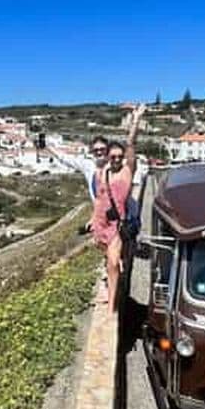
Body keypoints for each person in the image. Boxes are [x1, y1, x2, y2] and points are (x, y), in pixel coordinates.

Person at [91, 106, 145, 313]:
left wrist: (136, 119)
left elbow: (131, 144)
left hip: (116, 225)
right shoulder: (101, 173)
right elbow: (99, 199)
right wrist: (92, 221)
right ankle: (114, 266)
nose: (115, 159)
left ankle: (111, 304)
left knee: (113, 263)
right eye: (112, 156)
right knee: (108, 257)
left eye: (118, 157)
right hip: (100, 223)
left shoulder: (127, 172)